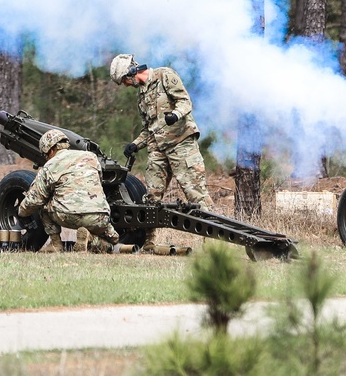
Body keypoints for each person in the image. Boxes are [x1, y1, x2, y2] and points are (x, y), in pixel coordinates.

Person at [109, 53, 211, 253]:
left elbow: (185, 102)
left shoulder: (165, 76)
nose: (127, 86)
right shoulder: (142, 96)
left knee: (196, 194)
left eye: (124, 81)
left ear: (130, 73)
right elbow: (150, 129)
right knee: (151, 198)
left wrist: (176, 114)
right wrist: (135, 144)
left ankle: (213, 247)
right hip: (158, 149)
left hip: (181, 144)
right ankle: (150, 244)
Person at [17, 129, 120, 253]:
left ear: (51, 150)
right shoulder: (90, 157)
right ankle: (92, 240)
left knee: (44, 204)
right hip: (101, 216)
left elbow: (34, 200)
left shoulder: (50, 165)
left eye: (45, 154)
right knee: (114, 241)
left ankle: (56, 244)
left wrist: (21, 212)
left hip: (70, 215)